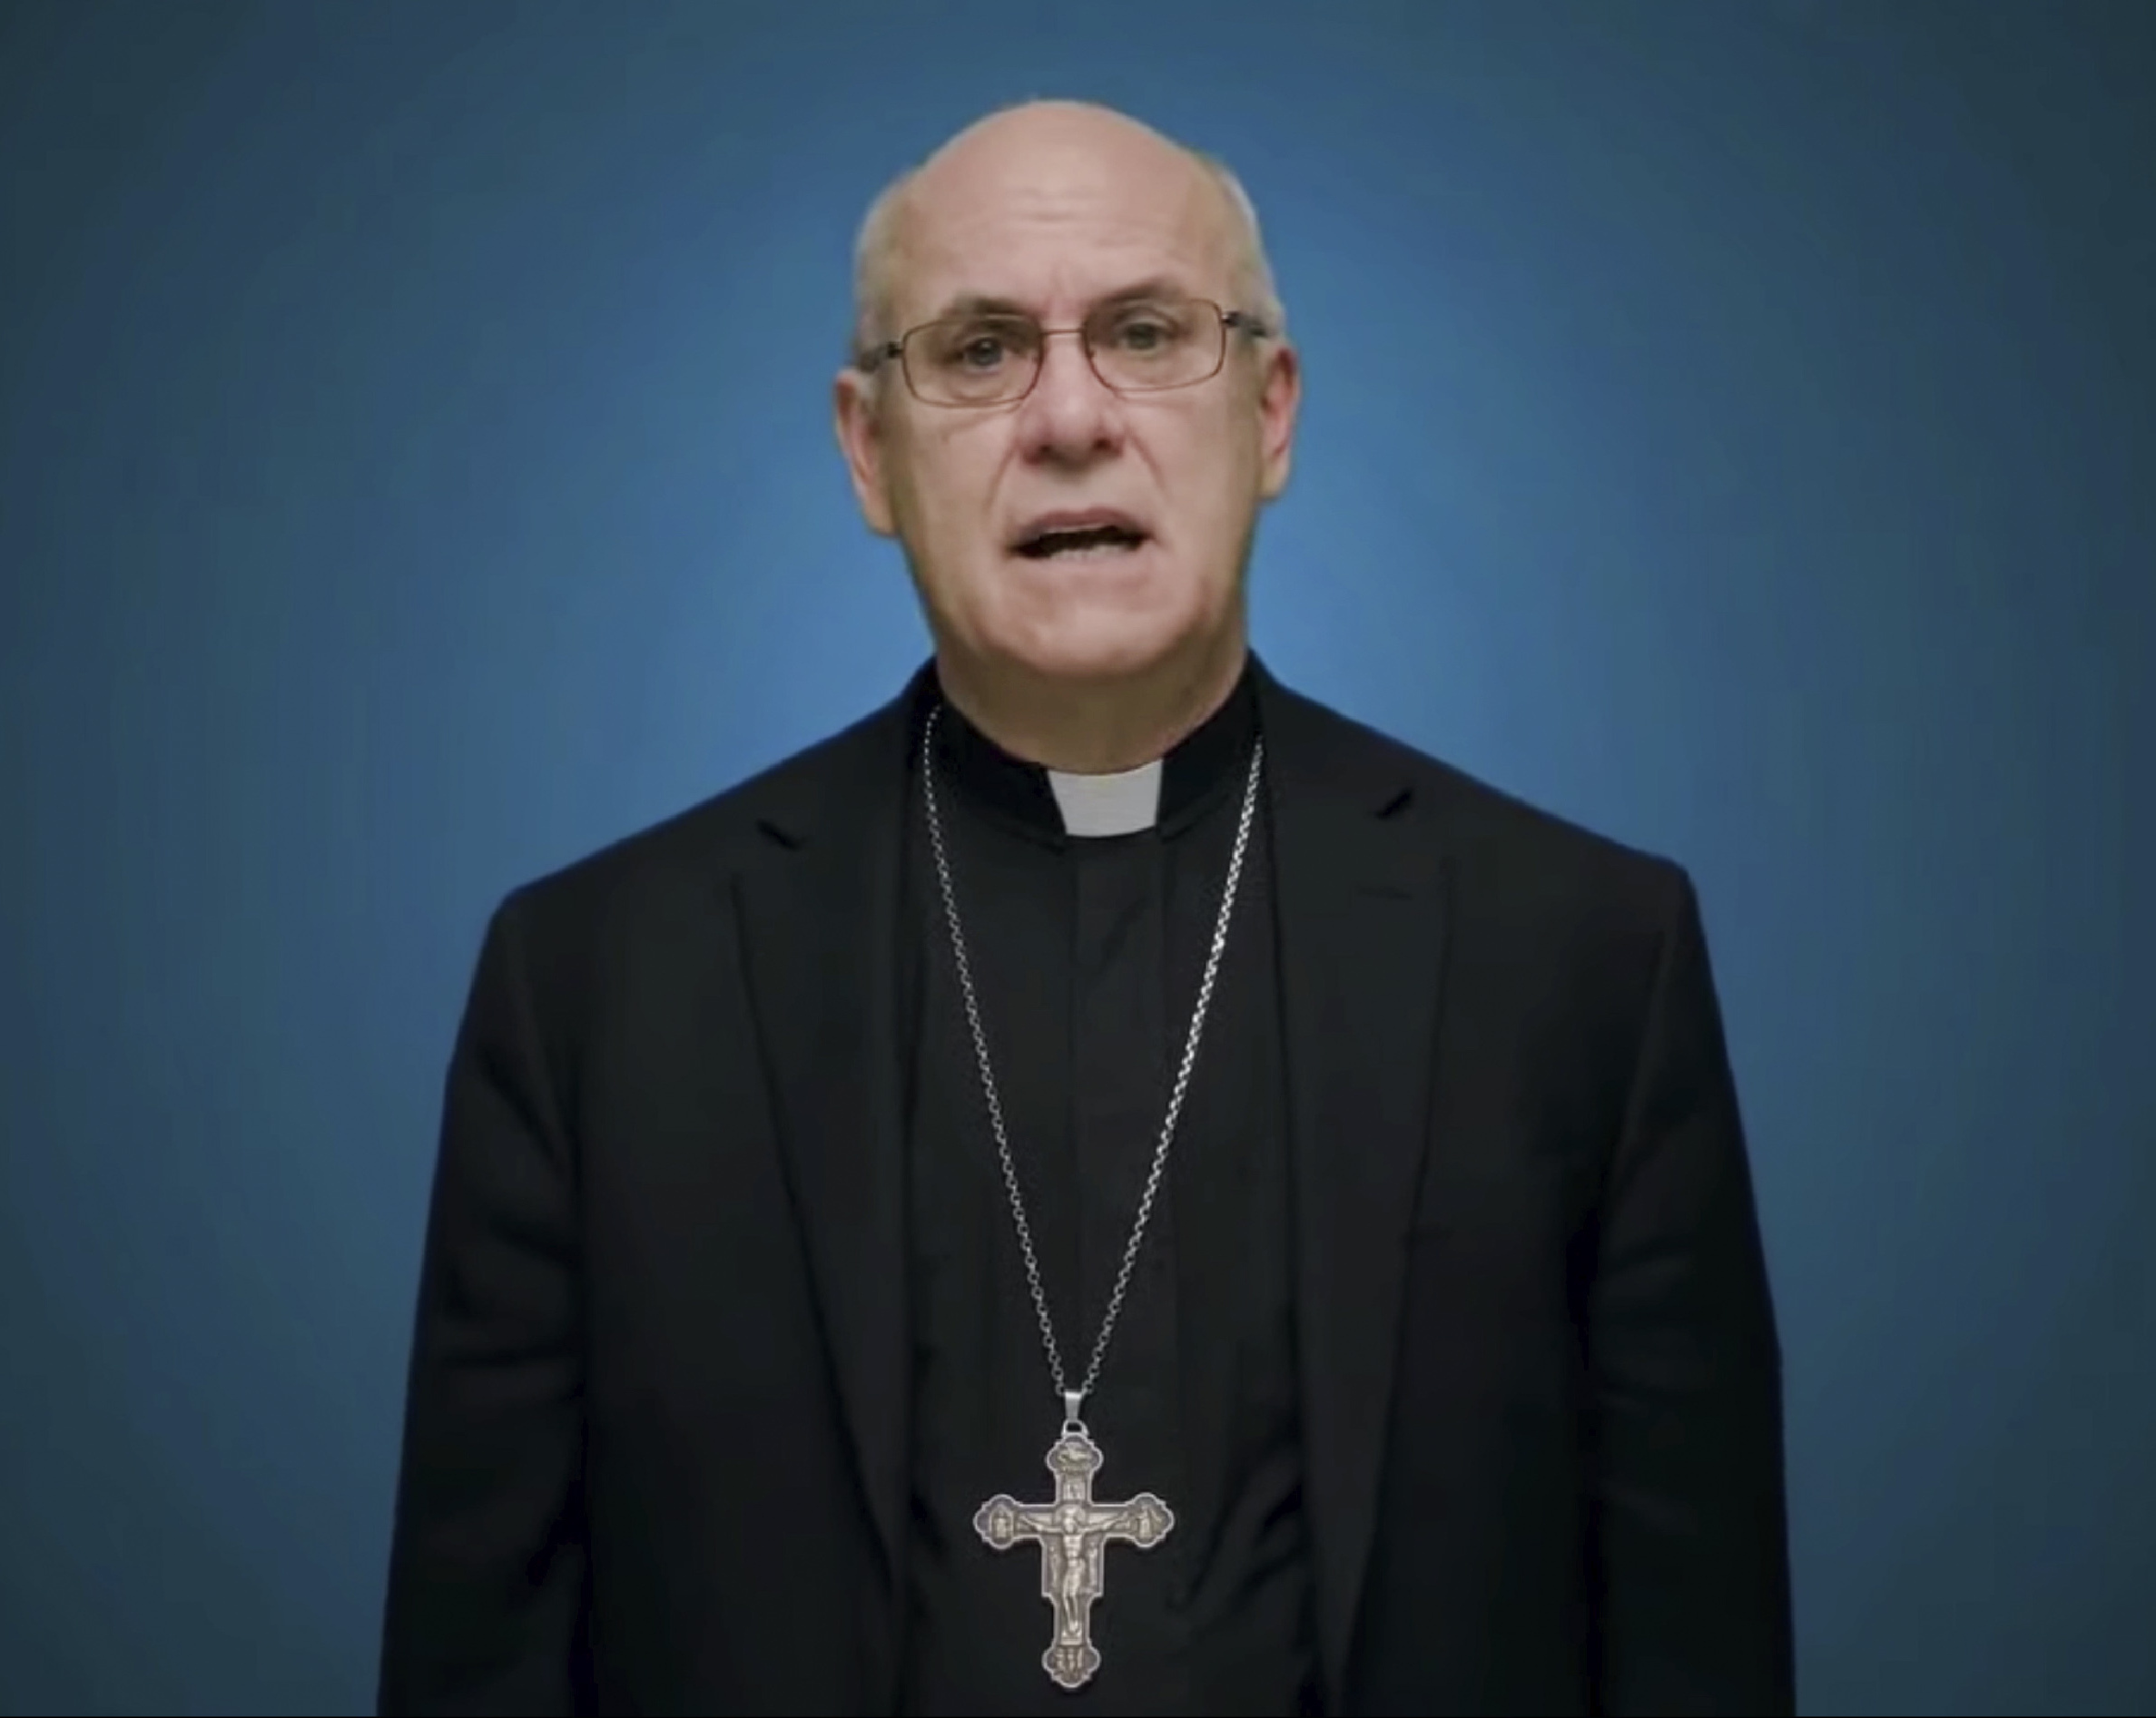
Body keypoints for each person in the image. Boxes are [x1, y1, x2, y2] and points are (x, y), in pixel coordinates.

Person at [378, 98, 1795, 1717]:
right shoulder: (599, 989)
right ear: (868, 451)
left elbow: (1700, 1653)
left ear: (1270, 414)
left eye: (1143, 332)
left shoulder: (1585, 956)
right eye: (980, 350)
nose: (1068, 416)